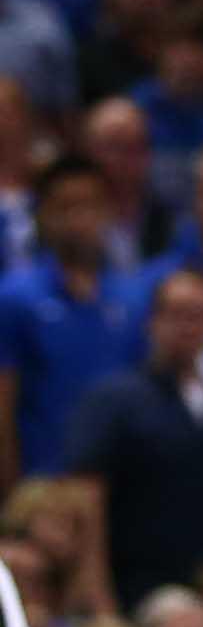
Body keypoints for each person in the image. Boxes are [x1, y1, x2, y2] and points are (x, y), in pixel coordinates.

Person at [68, 267, 203, 611]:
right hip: (135, 586)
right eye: (178, 314)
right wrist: (95, 590)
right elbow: (85, 497)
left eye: (202, 317)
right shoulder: (114, 400)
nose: (189, 326)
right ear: (151, 321)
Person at [0, 154, 137, 486]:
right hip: (44, 487)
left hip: (121, 489)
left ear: (109, 213)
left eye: (90, 205)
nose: (79, 218)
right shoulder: (15, 297)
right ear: (43, 215)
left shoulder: (133, 297)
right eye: (65, 206)